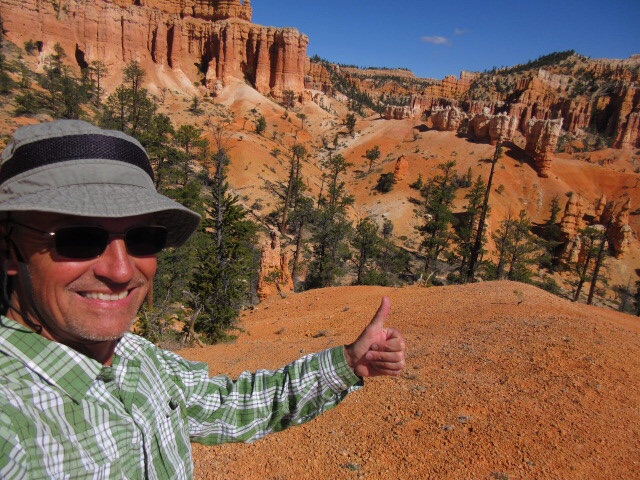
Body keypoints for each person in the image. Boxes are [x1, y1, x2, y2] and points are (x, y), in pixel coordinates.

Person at [0, 120, 406, 478]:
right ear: (7, 249)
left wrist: (347, 363)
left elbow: (232, 405)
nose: (121, 271)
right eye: (78, 238)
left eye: (143, 238)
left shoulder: (138, 358)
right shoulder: (11, 421)